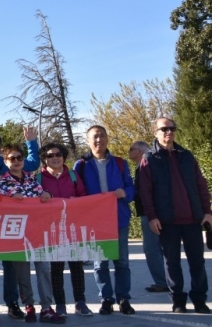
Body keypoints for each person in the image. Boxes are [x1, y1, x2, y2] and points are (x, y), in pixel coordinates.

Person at [141, 117, 212, 314]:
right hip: (166, 221)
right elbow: (145, 192)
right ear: (155, 132)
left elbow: (201, 185)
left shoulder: (187, 156)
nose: (168, 132)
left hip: (192, 219)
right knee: (171, 263)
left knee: (197, 262)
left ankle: (199, 300)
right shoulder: (149, 159)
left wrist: (207, 212)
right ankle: (178, 301)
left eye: (172, 128)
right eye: (163, 129)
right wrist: (152, 216)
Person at [0, 144, 62, 323]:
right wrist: (11, 198)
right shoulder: (1, 183)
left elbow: (41, 196)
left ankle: (47, 307)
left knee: (43, 270)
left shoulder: (32, 179)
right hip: (17, 235)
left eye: (19, 158)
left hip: (38, 232)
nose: (16, 161)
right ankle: (29, 305)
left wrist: (46, 194)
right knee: (22, 273)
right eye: (12, 158)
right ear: (5, 161)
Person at [73, 125, 135, 315]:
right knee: (100, 263)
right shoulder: (81, 165)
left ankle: (123, 298)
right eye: (95, 137)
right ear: (88, 141)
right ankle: (106, 299)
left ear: (107, 138)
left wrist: (125, 193)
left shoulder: (120, 163)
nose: (98, 140)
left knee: (122, 261)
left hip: (119, 218)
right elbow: (77, 193)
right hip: (95, 222)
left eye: (102, 136)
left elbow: (131, 188)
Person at [0, 127, 38, 321]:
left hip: (11, 223)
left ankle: (12, 303)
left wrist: (31, 142)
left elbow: (32, 163)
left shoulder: (9, 164)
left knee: (11, 266)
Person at [37, 143, 91, 317]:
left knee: (76, 267)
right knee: (57, 268)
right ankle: (60, 304)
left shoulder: (73, 175)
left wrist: (77, 201)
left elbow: (84, 197)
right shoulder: (39, 178)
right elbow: (34, 202)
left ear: (64, 157)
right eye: (50, 155)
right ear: (45, 160)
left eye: (58, 154)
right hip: (52, 229)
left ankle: (80, 302)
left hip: (73, 227)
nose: (55, 157)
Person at [129, 140, 169, 293]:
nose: (129, 151)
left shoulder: (148, 164)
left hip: (151, 213)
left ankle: (162, 282)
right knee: (159, 248)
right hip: (152, 212)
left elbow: (149, 191)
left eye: (131, 149)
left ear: (139, 151)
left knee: (151, 249)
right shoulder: (144, 166)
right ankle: (166, 281)